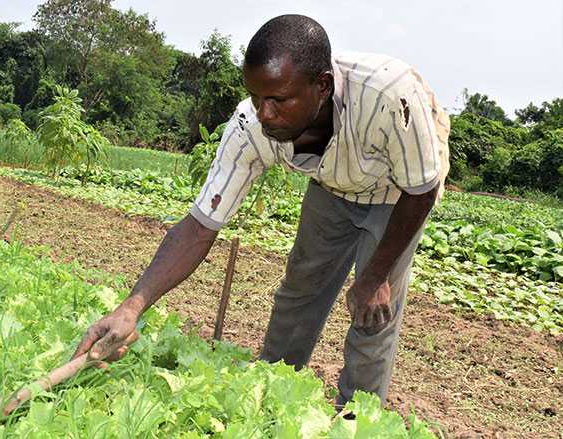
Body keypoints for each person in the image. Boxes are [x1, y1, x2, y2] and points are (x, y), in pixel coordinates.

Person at [72, 14, 450, 407]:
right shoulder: (249, 125)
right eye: (256, 98)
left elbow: (421, 190)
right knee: (299, 291)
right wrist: (131, 307)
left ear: (321, 85)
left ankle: (359, 419)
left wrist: (375, 276)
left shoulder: (389, 95)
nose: (264, 114)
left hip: (399, 193)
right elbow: (199, 226)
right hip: (333, 183)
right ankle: (269, 396)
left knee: (372, 311)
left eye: (278, 100)